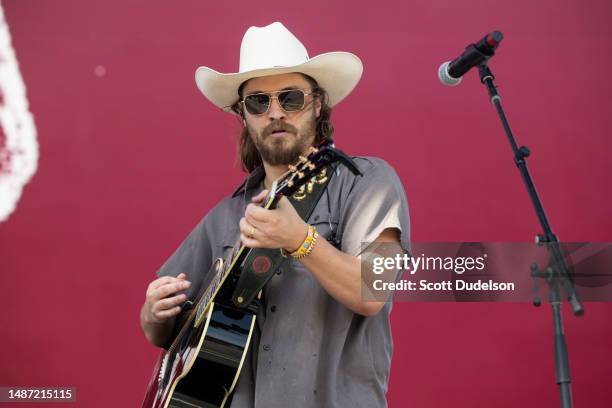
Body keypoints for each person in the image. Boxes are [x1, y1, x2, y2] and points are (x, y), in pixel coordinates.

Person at [140, 22, 411, 408]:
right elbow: (160, 329)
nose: (276, 113)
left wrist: (301, 241)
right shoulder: (225, 215)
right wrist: (155, 313)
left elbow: (374, 290)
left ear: (318, 104)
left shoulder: (367, 182)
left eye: (291, 98)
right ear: (243, 114)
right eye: (259, 102)